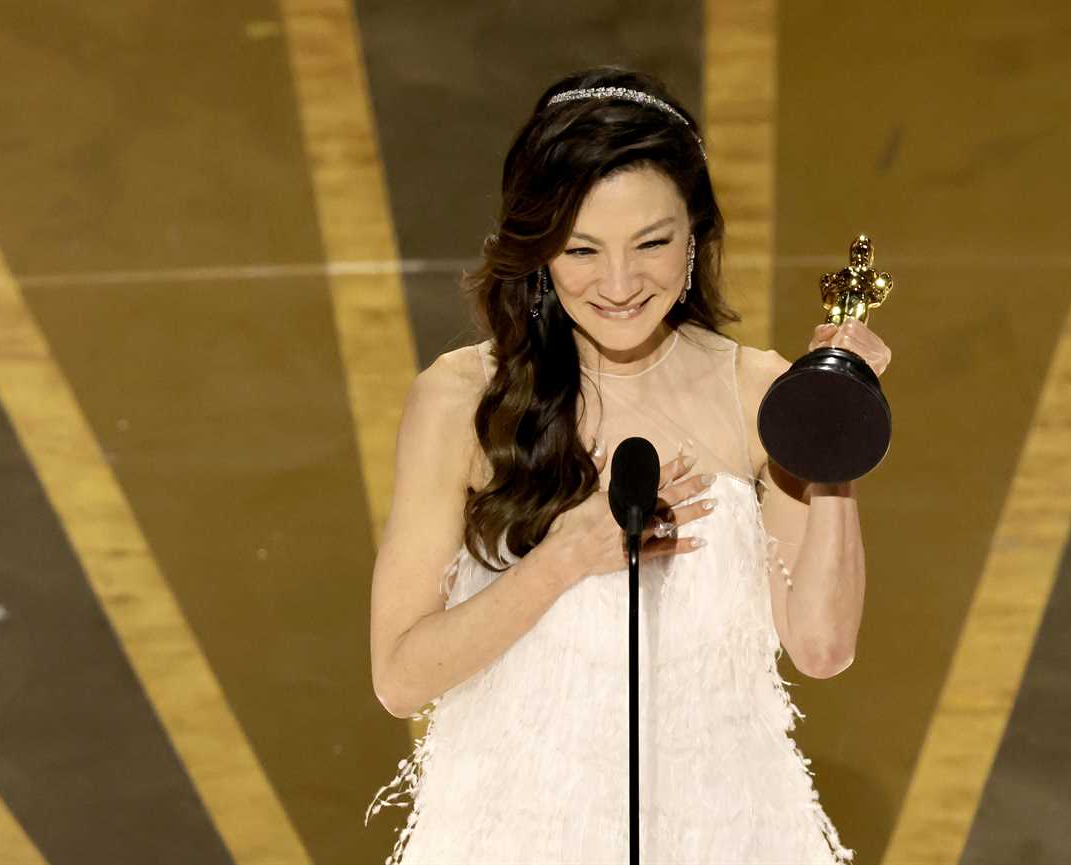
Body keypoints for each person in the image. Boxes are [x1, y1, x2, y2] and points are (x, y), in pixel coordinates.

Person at [364, 65, 890, 865]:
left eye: (652, 243)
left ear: (696, 235)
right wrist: (564, 559)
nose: (618, 284)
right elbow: (400, 676)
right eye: (581, 250)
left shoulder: (755, 391)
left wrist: (834, 426)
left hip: (729, 835)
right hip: (514, 836)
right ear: (538, 249)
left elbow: (821, 647)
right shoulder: (464, 401)